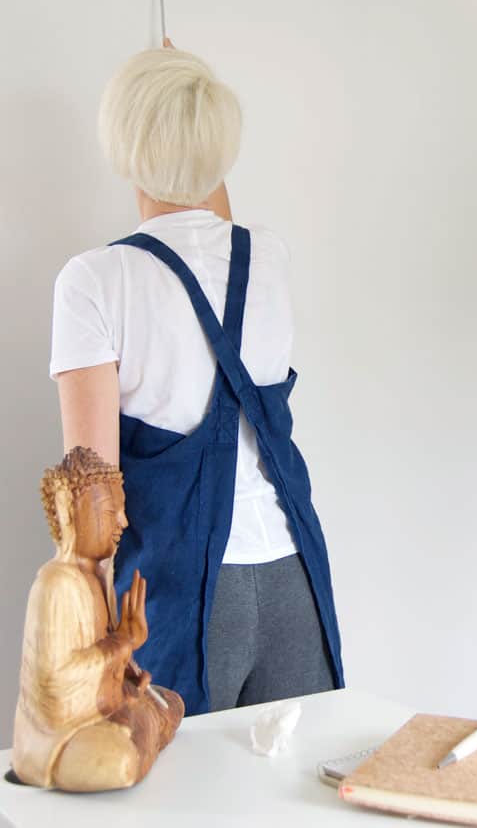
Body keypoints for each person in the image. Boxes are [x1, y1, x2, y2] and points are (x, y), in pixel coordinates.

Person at [50, 44, 343, 716]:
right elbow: (213, 221)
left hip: (178, 597)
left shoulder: (95, 281)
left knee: (174, 805)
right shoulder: (267, 257)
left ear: (122, 148)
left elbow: (91, 490)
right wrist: (191, 100)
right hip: (292, 573)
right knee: (296, 803)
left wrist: (87, 646)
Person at [13, 446, 183, 791]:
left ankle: (141, 729)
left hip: (103, 711)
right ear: (70, 510)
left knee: (172, 703)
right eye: (111, 511)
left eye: (120, 511)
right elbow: (54, 683)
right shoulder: (56, 582)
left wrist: (129, 672)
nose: (123, 521)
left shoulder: (97, 577)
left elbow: (106, 655)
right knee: (120, 761)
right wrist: (120, 644)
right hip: (60, 734)